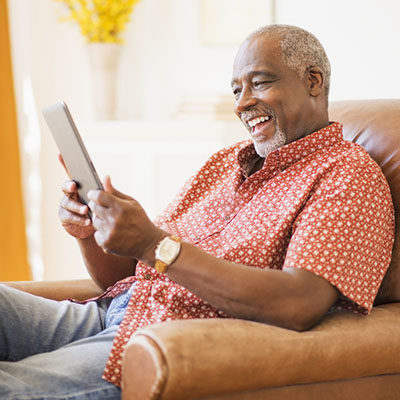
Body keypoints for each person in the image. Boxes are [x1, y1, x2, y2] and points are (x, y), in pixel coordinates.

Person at [0, 24, 394, 399]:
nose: (242, 103)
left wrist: (155, 244)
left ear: (313, 81)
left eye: (260, 82)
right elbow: (127, 274)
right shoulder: (221, 164)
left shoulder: (346, 173)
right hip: (111, 314)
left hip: (165, 342)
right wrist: (92, 232)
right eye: (237, 89)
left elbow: (299, 303)